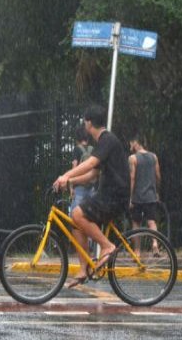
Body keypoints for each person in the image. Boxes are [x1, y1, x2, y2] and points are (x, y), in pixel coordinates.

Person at [53, 104, 130, 288]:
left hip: (115, 196)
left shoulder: (107, 140)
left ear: (88, 123)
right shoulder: (103, 142)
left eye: (84, 121)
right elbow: (92, 175)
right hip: (107, 193)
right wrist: (71, 182)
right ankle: (83, 267)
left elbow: (90, 164)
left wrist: (66, 175)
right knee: (75, 219)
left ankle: (107, 246)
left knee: (78, 213)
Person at [128, 135, 161, 256]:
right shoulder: (154, 157)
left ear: (136, 143)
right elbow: (158, 176)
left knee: (136, 223)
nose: (130, 146)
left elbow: (132, 178)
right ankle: (155, 244)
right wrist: (156, 191)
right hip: (151, 195)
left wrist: (130, 197)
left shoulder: (133, 158)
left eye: (131, 143)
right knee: (151, 221)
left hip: (137, 196)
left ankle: (137, 251)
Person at [69, 126, 95, 214]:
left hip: (79, 187)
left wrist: (71, 187)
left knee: (75, 216)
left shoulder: (77, 149)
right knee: (89, 217)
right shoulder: (92, 149)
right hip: (91, 187)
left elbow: (74, 167)